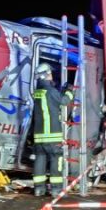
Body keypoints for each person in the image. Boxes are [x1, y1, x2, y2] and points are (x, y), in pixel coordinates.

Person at [31, 63, 74, 197]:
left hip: (39, 135)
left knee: (40, 159)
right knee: (57, 159)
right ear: (45, 75)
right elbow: (64, 101)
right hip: (53, 134)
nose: (51, 75)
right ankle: (56, 189)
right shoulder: (51, 91)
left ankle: (39, 189)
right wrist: (69, 90)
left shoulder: (38, 92)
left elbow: (51, 101)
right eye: (49, 73)